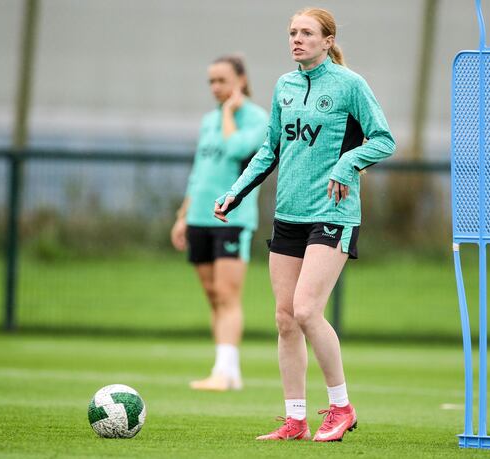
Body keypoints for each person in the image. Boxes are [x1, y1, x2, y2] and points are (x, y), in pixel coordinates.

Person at [214, 8, 395, 442]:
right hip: (288, 215)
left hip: (332, 213)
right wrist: (235, 192)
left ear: (328, 41)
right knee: (284, 318)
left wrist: (347, 164)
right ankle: (295, 420)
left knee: (307, 310)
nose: (297, 39)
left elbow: (383, 139)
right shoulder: (285, 86)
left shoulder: (350, 85)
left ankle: (342, 408)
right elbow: (270, 149)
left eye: (307, 33)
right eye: (293, 32)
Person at [171, 55, 268, 392]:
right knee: (213, 296)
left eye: (222, 80)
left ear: (241, 81)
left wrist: (229, 113)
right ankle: (229, 371)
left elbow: (236, 148)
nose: (215, 87)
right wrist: (183, 216)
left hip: (232, 218)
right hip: (199, 217)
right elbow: (199, 172)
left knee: (228, 295)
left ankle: (223, 373)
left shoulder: (257, 119)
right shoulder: (208, 120)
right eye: (211, 81)